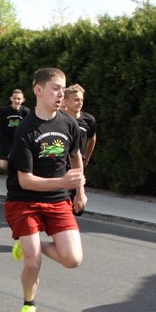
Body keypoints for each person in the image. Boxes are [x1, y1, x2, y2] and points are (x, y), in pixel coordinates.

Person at [5, 68, 86, 312]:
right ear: (38, 90)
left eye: (63, 88)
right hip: (24, 200)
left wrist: (80, 190)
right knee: (32, 261)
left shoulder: (69, 124)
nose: (61, 93)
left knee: (72, 259)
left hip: (57, 200)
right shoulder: (25, 130)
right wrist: (64, 182)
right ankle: (29, 304)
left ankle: (29, 244)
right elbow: (26, 181)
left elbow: (75, 157)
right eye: (55, 88)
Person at [61, 84, 96, 216]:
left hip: (76, 166)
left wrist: (86, 157)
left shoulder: (89, 120)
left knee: (78, 209)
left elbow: (92, 138)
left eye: (81, 99)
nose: (80, 102)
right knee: (60, 203)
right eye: (76, 100)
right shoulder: (59, 119)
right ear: (66, 101)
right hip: (61, 166)